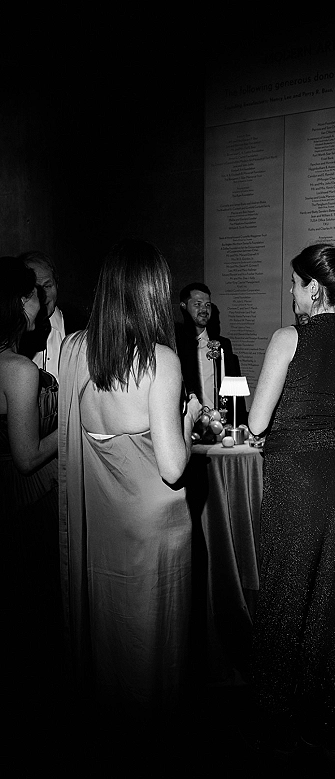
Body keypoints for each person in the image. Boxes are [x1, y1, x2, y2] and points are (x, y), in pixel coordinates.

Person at [58, 239, 201, 731]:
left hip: (103, 519)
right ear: (153, 295)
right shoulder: (160, 360)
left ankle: (113, 738)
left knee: (114, 636)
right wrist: (189, 418)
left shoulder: (75, 350)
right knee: (157, 645)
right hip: (156, 525)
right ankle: (156, 748)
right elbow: (173, 468)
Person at [247, 243, 335, 754]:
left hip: (295, 478)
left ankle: (276, 709)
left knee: (285, 589)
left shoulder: (288, 338)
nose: (290, 291)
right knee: (333, 594)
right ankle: (326, 709)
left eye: (294, 283)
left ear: (314, 289)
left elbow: (258, 422)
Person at [0, 257, 60, 680]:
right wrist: (72, 424)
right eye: (35, 293)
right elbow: (26, 458)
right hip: (21, 505)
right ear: (21, 302)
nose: (42, 300)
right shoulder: (18, 370)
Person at [175, 281, 247, 425]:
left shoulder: (223, 345)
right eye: (197, 304)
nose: (204, 309)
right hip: (187, 424)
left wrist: (240, 424)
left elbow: (235, 393)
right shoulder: (174, 346)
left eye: (207, 305)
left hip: (219, 425)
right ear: (183, 307)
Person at [17, 250, 65, 381]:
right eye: (34, 289)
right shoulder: (10, 336)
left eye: (47, 286)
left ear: (57, 284)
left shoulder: (80, 326)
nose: (42, 295)